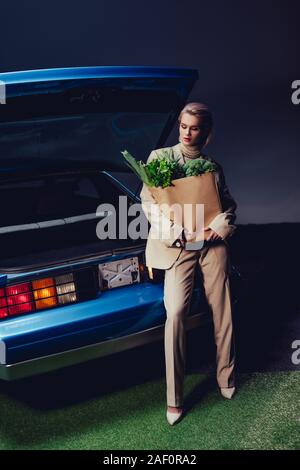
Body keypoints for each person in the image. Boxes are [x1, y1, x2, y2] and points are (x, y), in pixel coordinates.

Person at [140, 102, 237, 425]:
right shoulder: (159, 159)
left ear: (206, 133)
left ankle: (226, 377)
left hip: (211, 244)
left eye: (194, 128)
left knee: (222, 310)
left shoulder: (213, 166)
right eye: (183, 126)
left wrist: (217, 228)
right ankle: (174, 399)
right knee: (176, 312)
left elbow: (229, 205)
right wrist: (176, 231)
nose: (187, 133)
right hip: (177, 243)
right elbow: (149, 201)